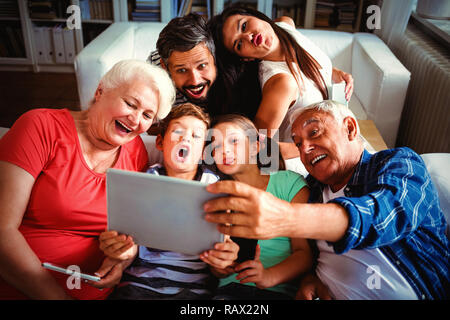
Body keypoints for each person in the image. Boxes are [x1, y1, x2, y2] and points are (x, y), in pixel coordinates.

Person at [203, 100, 449, 300]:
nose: (305, 149)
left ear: (350, 128)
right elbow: (304, 254)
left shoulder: (397, 164)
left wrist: (287, 218)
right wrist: (312, 278)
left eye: (314, 132)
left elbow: (384, 215)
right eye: (298, 143)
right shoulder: (312, 190)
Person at [0, 60, 176, 300]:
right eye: (130, 104)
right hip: (23, 287)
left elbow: (131, 231)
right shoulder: (39, 127)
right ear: (100, 91)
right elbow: (2, 229)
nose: (135, 120)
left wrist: (122, 261)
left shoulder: (136, 153)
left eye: (147, 115)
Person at [98, 103, 239, 299]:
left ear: (203, 151)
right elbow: (132, 240)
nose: (185, 138)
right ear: (160, 142)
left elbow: (221, 248)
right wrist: (119, 249)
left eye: (196, 136)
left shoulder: (216, 187)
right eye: (178, 132)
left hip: (192, 290)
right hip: (139, 284)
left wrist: (223, 260)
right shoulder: (145, 180)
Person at [208, 6, 354, 173]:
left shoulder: (285, 25)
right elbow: (257, 147)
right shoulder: (282, 83)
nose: (249, 36)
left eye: (244, 25)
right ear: (246, 58)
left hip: (337, 138)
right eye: (239, 44)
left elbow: (308, 62)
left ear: (257, 16)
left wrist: (335, 73)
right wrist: (317, 144)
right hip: (306, 163)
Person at [207, 114, 312, 299]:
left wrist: (267, 276)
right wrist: (220, 267)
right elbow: (216, 270)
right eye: (216, 146)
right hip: (228, 291)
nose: (225, 151)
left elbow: (304, 254)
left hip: (276, 291)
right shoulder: (215, 196)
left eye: (233, 141)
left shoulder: (288, 183)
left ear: (256, 146)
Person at [148, 13, 261, 120]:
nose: (195, 81)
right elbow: (150, 125)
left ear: (215, 56)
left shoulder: (237, 70)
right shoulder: (154, 71)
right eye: (181, 70)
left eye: (202, 66)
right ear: (165, 67)